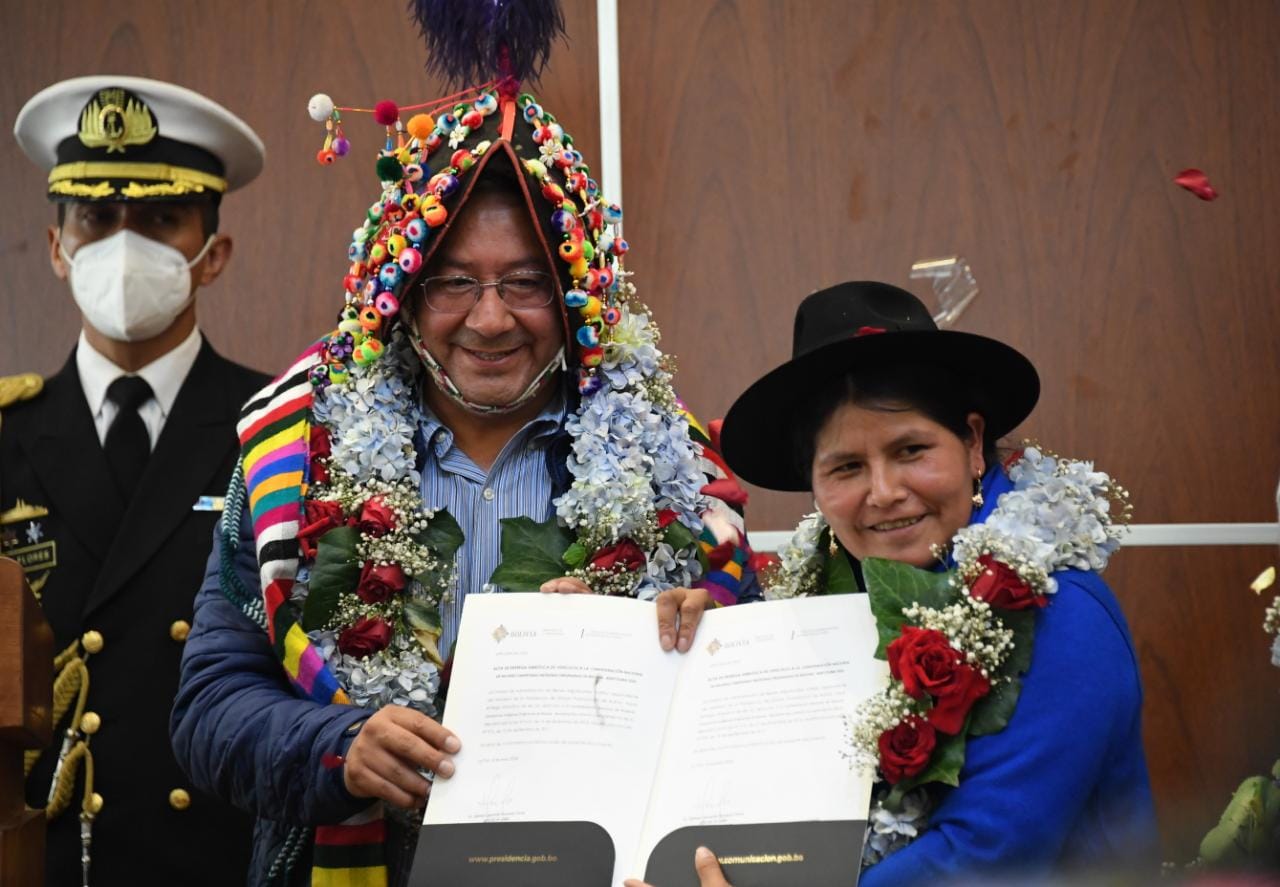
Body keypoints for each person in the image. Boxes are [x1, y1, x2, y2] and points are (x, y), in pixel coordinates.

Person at [169, 58, 762, 887]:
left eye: (526, 282)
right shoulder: (296, 453)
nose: (490, 319)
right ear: (401, 294)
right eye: (454, 283)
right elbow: (209, 709)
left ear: (576, 294)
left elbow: (740, 727)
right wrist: (340, 747)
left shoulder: (670, 462)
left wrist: (685, 639)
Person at [710, 280, 1159, 884]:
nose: (885, 491)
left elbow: (983, 855)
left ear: (973, 442)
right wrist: (697, 643)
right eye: (846, 467)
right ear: (814, 488)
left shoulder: (1059, 610)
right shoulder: (827, 599)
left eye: (911, 450)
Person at [5, 76, 267, 885]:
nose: (124, 246)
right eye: (96, 218)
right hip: (42, 856)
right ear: (57, 248)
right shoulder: (7, 436)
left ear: (211, 253)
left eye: (158, 220)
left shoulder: (277, 431)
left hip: (216, 856)